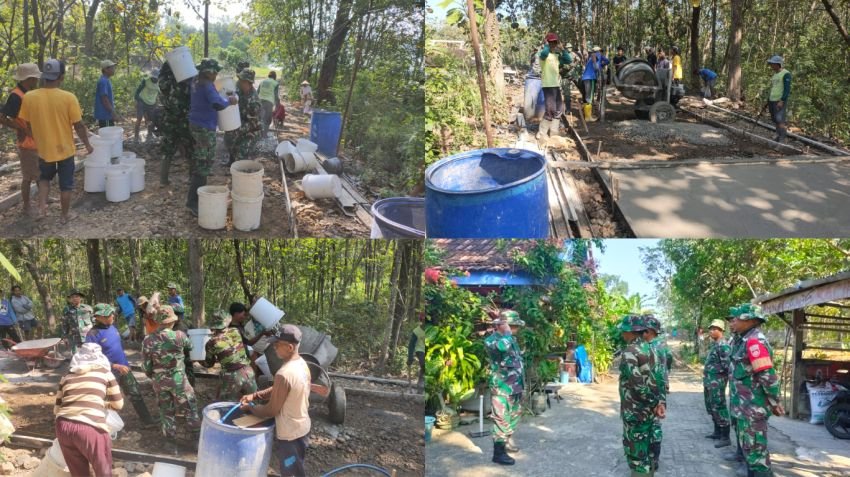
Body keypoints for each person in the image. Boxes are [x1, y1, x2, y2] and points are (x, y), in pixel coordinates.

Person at [18, 59, 94, 223]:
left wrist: (39, 138)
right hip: (65, 150)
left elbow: (28, 124)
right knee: (66, 185)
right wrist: (87, 145)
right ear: (61, 77)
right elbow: (78, 125)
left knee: (44, 179)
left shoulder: (29, 97)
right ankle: (64, 216)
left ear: (43, 76)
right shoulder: (68, 98)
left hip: (44, 150)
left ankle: (42, 209)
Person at [240, 325, 311, 477]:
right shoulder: (300, 363)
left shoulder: (284, 373)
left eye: (277, 344)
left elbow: (271, 410)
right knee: (296, 468)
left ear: (290, 347)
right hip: (302, 427)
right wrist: (256, 395)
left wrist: (251, 408)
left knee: (291, 472)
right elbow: (281, 388)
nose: (274, 347)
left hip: (290, 434)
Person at [728, 304, 783, 477]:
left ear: (749, 320)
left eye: (736, 319)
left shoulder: (754, 342)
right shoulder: (742, 339)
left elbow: (767, 376)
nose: (732, 322)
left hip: (753, 407)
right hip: (744, 406)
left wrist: (775, 401)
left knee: (756, 453)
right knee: (749, 449)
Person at [54, 343, 123, 476]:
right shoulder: (105, 373)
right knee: (103, 471)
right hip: (90, 427)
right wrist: (102, 404)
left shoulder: (66, 376)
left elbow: (57, 409)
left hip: (63, 426)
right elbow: (118, 405)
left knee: (79, 473)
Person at [85, 303, 156, 426]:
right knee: (106, 399)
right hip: (107, 374)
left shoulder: (113, 327)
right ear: (98, 317)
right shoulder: (93, 335)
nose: (112, 316)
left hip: (124, 368)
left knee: (135, 393)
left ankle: (148, 421)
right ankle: (102, 426)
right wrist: (114, 366)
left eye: (112, 313)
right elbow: (92, 358)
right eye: (108, 315)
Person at [142, 305, 200, 449]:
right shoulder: (180, 335)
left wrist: (154, 376)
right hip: (179, 381)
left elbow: (146, 366)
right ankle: (196, 441)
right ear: (173, 321)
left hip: (160, 382)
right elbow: (190, 347)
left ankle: (170, 443)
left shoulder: (148, 340)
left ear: (158, 321)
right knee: (190, 407)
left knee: (166, 411)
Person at [187, 58, 237, 216]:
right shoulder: (207, 85)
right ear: (209, 72)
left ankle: (196, 195)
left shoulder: (195, 81)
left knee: (200, 159)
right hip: (204, 127)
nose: (216, 75)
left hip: (195, 123)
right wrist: (230, 101)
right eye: (215, 72)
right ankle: (193, 202)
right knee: (204, 163)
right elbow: (217, 104)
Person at [618, 314, 665, 477]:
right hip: (649, 411)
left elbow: (637, 384)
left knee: (637, 455)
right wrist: (658, 403)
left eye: (623, 331)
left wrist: (653, 403)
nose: (622, 334)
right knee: (648, 451)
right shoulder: (651, 349)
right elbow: (659, 378)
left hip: (635, 411)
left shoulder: (630, 352)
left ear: (630, 331)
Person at [485, 310, 525, 466]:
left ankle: (506, 443)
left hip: (515, 386)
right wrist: (507, 332)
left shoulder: (510, 339)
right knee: (501, 419)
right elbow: (502, 348)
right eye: (513, 326)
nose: (516, 329)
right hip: (501, 387)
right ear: (503, 325)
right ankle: (498, 453)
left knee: (514, 415)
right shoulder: (492, 341)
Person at [0, 63, 42, 216]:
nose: (37, 80)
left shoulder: (28, 93)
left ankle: (43, 197)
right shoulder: (16, 96)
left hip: (36, 139)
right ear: (29, 79)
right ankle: (26, 206)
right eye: (35, 78)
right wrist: (20, 128)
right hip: (27, 142)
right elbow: (3, 117)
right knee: (28, 176)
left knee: (40, 172)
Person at [202, 310, 258, 401]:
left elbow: (209, 364)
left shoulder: (211, 343)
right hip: (248, 371)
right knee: (253, 401)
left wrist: (197, 360)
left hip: (232, 377)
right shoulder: (235, 331)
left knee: (227, 404)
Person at [641, 314, 671, 472]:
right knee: (654, 424)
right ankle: (652, 457)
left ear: (650, 331)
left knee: (653, 424)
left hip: (653, 392)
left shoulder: (652, 347)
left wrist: (659, 396)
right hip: (656, 391)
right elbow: (666, 368)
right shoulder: (660, 345)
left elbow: (658, 372)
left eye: (643, 330)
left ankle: (652, 457)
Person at [158, 61, 194, 186]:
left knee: (167, 150)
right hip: (183, 120)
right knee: (190, 148)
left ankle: (163, 180)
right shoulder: (185, 82)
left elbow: (161, 75)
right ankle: (191, 178)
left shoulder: (164, 83)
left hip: (169, 120)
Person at [223, 68, 262, 166]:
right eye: (239, 79)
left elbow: (253, 123)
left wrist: (237, 130)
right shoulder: (239, 89)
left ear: (249, 83)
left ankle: (239, 166)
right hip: (239, 122)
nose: (239, 82)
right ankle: (231, 161)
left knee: (241, 151)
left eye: (242, 81)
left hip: (252, 129)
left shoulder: (254, 102)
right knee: (228, 138)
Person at [703, 318, 732, 448]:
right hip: (710, 381)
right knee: (711, 406)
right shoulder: (715, 345)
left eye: (714, 329)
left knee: (719, 406)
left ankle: (725, 437)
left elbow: (727, 366)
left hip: (717, 382)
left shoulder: (723, 346)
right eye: (710, 329)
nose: (711, 331)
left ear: (721, 331)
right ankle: (717, 432)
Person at [538, 33, 572, 136]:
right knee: (550, 110)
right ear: (547, 43)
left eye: (555, 42)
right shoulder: (543, 55)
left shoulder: (557, 56)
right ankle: (542, 133)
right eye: (551, 42)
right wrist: (546, 45)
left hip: (556, 85)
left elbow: (569, 60)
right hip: (548, 85)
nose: (553, 44)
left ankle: (553, 132)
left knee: (559, 109)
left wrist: (563, 49)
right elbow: (544, 53)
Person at [766, 55, 791, 143]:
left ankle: (782, 138)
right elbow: (774, 87)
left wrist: (782, 100)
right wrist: (769, 99)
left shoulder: (786, 74)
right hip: (772, 99)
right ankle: (777, 134)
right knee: (774, 119)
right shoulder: (775, 75)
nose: (771, 66)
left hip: (779, 100)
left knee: (780, 119)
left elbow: (787, 89)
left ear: (778, 64)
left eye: (772, 64)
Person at [62, 289, 94, 354]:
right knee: (76, 357)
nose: (74, 298)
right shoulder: (67, 310)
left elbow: (94, 322)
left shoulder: (88, 308)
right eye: (72, 297)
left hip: (88, 338)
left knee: (90, 355)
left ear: (80, 298)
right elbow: (64, 325)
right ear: (70, 299)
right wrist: (65, 337)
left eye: (76, 296)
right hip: (74, 339)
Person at [133, 68, 160, 142]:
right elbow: (138, 91)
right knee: (139, 119)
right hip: (142, 101)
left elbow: (159, 93)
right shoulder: (145, 80)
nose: (154, 79)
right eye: (153, 77)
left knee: (150, 119)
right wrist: (137, 100)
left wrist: (157, 102)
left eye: (156, 78)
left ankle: (149, 134)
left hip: (152, 103)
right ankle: (136, 137)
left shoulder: (160, 83)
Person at [94, 60, 121, 127]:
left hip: (107, 115)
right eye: (112, 67)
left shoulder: (105, 80)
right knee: (108, 133)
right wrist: (113, 113)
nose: (114, 69)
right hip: (105, 116)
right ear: (106, 69)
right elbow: (104, 99)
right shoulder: (103, 81)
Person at [258, 71, 281, 137]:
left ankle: (259, 134)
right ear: (275, 77)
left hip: (260, 101)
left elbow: (257, 92)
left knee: (261, 118)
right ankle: (264, 135)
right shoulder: (275, 83)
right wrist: (278, 105)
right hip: (269, 102)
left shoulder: (262, 81)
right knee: (267, 119)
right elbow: (276, 95)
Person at [407, 312, 427, 389]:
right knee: (423, 363)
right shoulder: (416, 331)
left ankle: (422, 380)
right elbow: (411, 345)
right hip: (420, 349)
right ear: (421, 320)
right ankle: (421, 381)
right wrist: (410, 357)